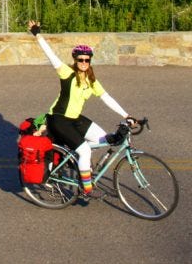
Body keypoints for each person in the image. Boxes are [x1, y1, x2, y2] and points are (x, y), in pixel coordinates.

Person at [27, 20, 139, 199]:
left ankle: (79, 164)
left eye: (87, 59)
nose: (84, 62)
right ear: (75, 60)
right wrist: (37, 33)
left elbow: (106, 97)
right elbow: (51, 55)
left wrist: (127, 115)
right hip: (59, 119)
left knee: (104, 138)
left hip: (75, 118)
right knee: (85, 150)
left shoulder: (91, 79)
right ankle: (86, 188)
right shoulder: (67, 73)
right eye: (80, 59)